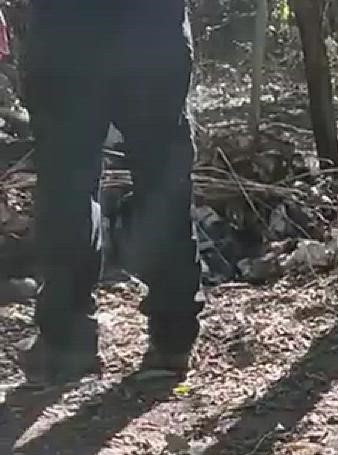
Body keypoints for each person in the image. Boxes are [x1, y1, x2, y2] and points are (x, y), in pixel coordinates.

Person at [15, 0, 203, 388]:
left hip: (66, 29)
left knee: (66, 183)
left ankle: (67, 342)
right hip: (150, 28)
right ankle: (171, 339)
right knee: (161, 174)